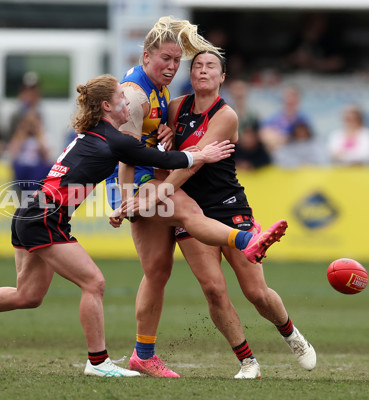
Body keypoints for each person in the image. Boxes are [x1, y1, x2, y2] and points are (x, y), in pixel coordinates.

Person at [0, 74, 234, 377]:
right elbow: (162, 159)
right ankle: (98, 362)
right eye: (122, 97)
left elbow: (147, 155)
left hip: (33, 211)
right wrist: (201, 154)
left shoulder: (99, 133)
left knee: (28, 295)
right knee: (94, 282)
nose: (127, 102)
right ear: (107, 106)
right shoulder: (114, 138)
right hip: (44, 215)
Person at [105, 16, 287, 379]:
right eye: (165, 60)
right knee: (188, 210)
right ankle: (248, 239)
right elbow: (124, 154)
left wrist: (163, 137)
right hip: (135, 180)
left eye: (177, 60)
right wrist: (124, 202)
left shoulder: (160, 90)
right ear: (145, 57)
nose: (172, 67)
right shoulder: (136, 94)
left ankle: (143, 355)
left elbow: (146, 138)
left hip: (148, 176)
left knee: (157, 270)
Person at [127, 51, 317, 379]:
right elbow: (162, 148)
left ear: (222, 77)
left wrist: (159, 192)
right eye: (197, 66)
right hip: (190, 209)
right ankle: (248, 361)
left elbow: (196, 161)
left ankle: (290, 334)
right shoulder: (175, 107)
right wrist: (166, 139)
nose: (202, 70)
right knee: (213, 289)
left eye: (210, 66)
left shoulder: (226, 115)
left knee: (255, 292)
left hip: (227, 205)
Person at [259, 86, 312, 155]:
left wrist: (284, 139)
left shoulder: (303, 119)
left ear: (298, 99)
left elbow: (304, 139)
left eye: (293, 96)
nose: (290, 99)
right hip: (277, 153)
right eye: (288, 96)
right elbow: (263, 134)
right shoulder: (274, 118)